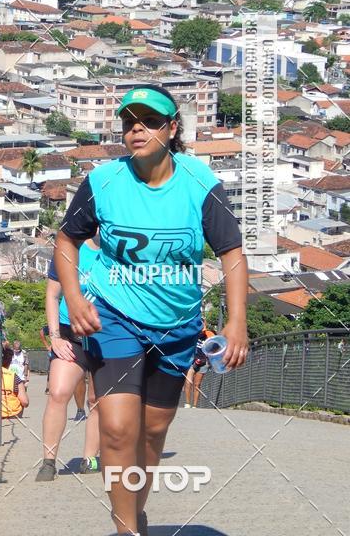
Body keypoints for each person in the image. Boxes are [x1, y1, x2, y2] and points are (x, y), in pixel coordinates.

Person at [54, 84, 249, 536]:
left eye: (149, 121)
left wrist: (237, 321)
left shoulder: (201, 183)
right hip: (114, 315)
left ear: (172, 128)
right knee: (119, 430)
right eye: (128, 122)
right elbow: (66, 239)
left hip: (177, 325)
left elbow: (232, 253)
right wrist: (77, 298)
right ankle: (126, 528)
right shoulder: (103, 181)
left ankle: (135, 509)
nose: (136, 129)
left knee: (152, 432)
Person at [36, 239, 101, 482]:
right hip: (69, 333)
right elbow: (52, 295)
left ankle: (90, 457)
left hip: (109, 335)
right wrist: (54, 338)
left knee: (97, 399)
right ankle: (49, 461)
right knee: (58, 392)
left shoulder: (122, 247)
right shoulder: (70, 248)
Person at [184, 323, 216, 409]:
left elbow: (215, 346)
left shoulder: (209, 334)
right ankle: (187, 404)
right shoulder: (192, 333)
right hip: (192, 361)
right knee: (188, 382)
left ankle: (194, 406)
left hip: (203, 361)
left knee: (197, 385)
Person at [40, 324, 52, 394]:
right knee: (51, 370)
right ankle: (48, 388)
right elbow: (42, 332)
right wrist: (47, 346)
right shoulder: (55, 324)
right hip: (55, 351)